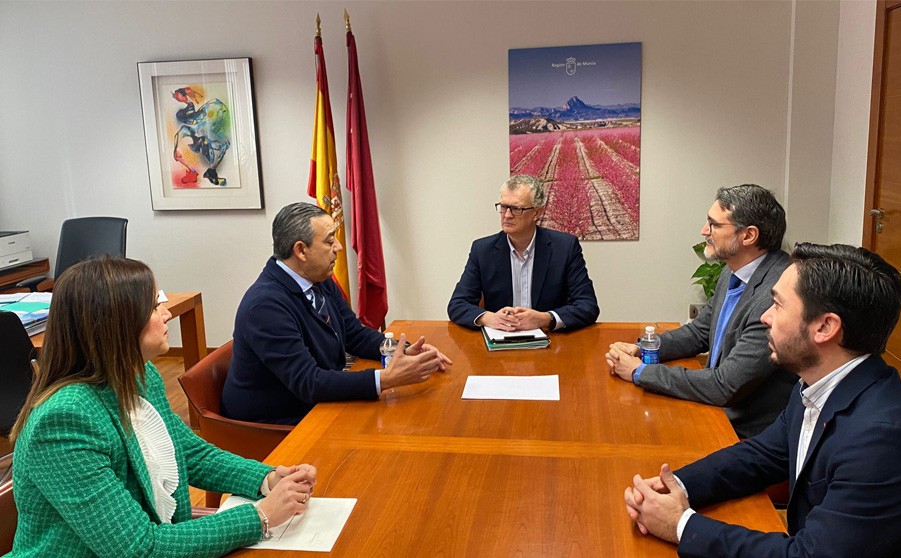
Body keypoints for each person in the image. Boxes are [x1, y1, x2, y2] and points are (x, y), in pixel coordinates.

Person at [624, 243, 901, 556]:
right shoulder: (816, 385)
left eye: (777, 305)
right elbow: (761, 456)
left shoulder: (884, 439)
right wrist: (676, 484)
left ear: (825, 327)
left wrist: (681, 526)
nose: (765, 317)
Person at [8, 257, 317, 556]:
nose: (167, 314)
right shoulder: (63, 422)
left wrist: (266, 478)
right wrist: (260, 517)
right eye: (155, 306)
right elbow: (139, 548)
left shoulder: (139, 374)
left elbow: (190, 454)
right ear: (118, 324)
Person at [222, 202, 451, 425]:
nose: (339, 247)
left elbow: (354, 334)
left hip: (313, 402)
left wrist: (404, 350)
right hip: (275, 422)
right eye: (329, 241)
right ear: (301, 250)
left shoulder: (318, 279)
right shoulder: (265, 306)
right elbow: (308, 382)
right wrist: (386, 379)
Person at [606, 184, 796, 438]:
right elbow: (699, 332)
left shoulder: (776, 293)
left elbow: (725, 385)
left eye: (714, 224)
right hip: (717, 411)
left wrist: (640, 371)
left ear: (748, 236)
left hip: (745, 433)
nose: (704, 231)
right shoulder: (733, 269)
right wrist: (643, 349)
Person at [447, 174, 599, 332]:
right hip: (500, 338)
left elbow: (587, 305)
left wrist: (545, 318)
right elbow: (457, 304)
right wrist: (489, 318)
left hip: (550, 339)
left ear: (537, 213)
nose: (507, 215)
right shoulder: (482, 250)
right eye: (503, 207)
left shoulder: (565, 248)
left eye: (516, 209)